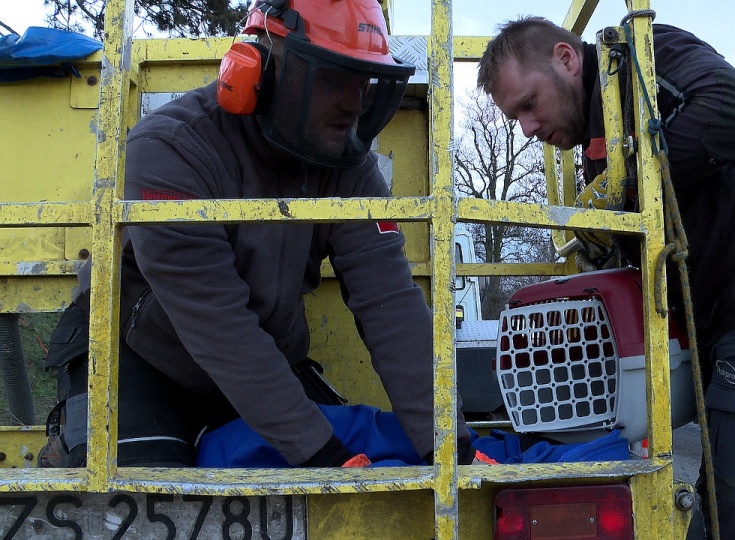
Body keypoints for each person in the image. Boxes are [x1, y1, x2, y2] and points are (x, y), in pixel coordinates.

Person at [39, 0, 472, 469]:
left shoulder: (347, 163)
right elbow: (216, 321)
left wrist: (451, 446)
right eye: (333, 78)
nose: (354, 104)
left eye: (363, 82)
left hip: (262, 358)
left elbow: (390, 303)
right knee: (141, 488)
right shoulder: (170, 149)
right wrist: (319, 457)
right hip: (140, 353)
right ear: (257, 69)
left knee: (347, 452)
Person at [477, 16, 735, 539]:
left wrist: (627, 188)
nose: (527, 128)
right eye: (514, 117)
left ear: (566, 59)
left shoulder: (640, 57)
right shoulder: (602, 141)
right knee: (714, 517)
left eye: (528, 104)